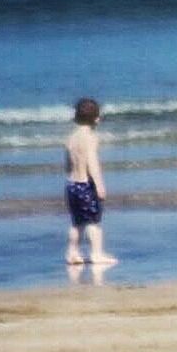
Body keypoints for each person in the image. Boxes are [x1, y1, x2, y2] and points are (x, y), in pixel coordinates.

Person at [64, 97, 117, 266]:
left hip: (72, 184)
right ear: (96, 118)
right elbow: (92, 163)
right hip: (86, 185)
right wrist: (100, 185)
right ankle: (96, 253)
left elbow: (67, 164)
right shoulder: (91, 138)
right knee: (94, 222)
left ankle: (72, 253)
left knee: (77, 223)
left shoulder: (70, 139)